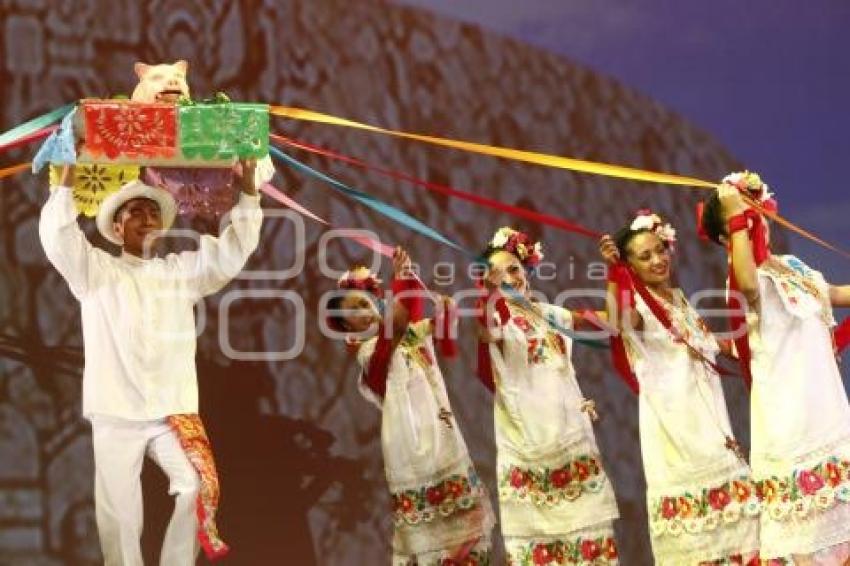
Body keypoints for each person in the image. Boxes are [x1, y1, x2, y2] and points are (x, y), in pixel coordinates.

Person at [38, 160, 263, 565]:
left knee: (196, 485)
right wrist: (68, 179)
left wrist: (248, 189)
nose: (145, 219)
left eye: (153, 213)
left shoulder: (180, 273)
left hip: (170, 410)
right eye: (134, 213)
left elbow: (233, 250)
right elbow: (58, 238)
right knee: (120, 517)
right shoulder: (95, 270)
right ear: (117, 227)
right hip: (115, 410)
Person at [699, 171, 850, 564]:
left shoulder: (792, 266)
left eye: (756, 211)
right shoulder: (743, 280)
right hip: (791, 431)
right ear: (727, 235)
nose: (755, 219)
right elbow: (748, 283)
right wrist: (733, 212)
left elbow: (835, 294)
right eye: (744, 216)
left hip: (831, 419)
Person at [599, 210, 759, 565]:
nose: (658, 260)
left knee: (744, 537)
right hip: (677, 434)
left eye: (660, 250)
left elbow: (703, 343)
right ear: (630, 266)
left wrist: (751, 347)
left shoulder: (678, 297)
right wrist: (613, 275)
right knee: (699, 543)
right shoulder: (638, 308)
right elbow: (615, 321)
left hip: (713, 427)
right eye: (645, 256)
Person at [327, 248, 494, 565]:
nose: (365, 312)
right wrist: (404, 279)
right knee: (431, 539)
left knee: (467, 529)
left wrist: (447, 311)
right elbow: (400, 321)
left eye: (366, 303)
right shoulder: (370, 353)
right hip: (412, 443)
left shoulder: (406, 333)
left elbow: (434, 331)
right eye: (354, 312)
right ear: (348, 329)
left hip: (441, 431)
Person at [476, 227, 619, 565]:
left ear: (526, 269)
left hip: (572, 444)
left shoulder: (553, 315)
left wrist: (615, 270)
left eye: (514, 268)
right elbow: (484, 331)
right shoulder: (499, 319)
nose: (510, 277)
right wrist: (487, 296)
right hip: (529, 453)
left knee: (590, 552)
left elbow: (612, 322)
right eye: (498, 274)